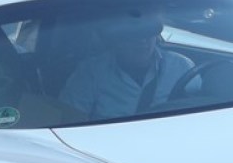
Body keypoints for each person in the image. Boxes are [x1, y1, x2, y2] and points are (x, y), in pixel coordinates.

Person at [59, 13, 194, 120]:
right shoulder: (90, 73)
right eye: (134, 35)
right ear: (116, 39)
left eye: (148, 33)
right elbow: (72, 119)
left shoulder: (182, 66)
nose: (143, 41)